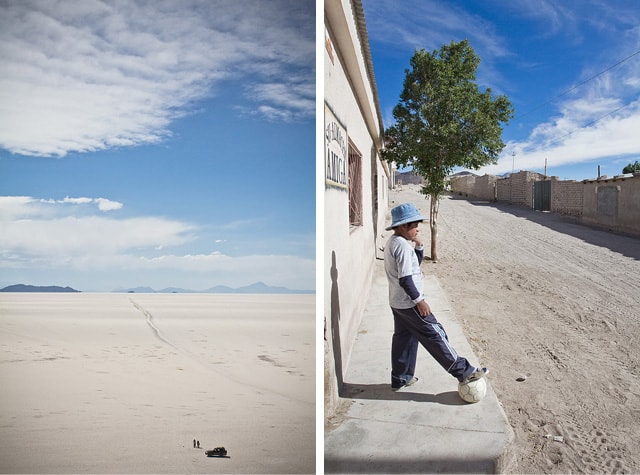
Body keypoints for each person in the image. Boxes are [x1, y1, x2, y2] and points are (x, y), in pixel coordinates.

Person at [383, 202, 487, 391]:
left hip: (397, 302)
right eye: (414, 225)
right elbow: (406, 280)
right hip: (409, 303)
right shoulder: (403, 248)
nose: (417, 229)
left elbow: (413, 267)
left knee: (404, 339)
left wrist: (420, 246)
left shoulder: (393, 243)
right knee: (435, 333)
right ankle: (464, 371)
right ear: (403, 226)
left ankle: (401, 377)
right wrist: (420, 302)